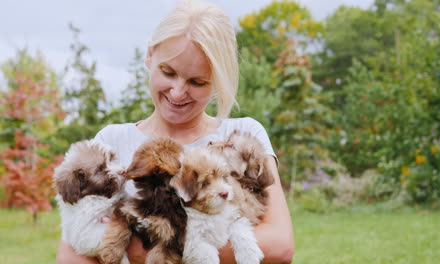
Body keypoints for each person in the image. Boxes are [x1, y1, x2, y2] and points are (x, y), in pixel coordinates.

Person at [55, 0, 294, 263]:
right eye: (168, 72)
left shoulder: (242, 139)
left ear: (217, 82)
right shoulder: (109, 146)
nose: (178, 92)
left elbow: (280, 245)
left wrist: (148, 249)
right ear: (149, 56)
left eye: (197, 81)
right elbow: (71, 253)